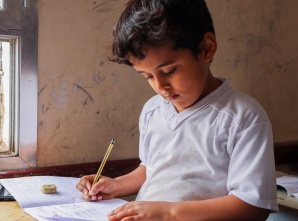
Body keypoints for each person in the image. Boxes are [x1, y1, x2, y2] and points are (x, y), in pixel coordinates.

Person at [76, 0, 278, 220]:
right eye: (148, 77)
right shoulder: (153, 110)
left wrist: (168, 213)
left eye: (169, 71)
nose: (160, 86)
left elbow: (253, 206)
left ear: (206, 49)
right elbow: (153, 169)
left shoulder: (242, 117)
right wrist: (116, 186)